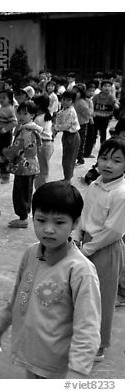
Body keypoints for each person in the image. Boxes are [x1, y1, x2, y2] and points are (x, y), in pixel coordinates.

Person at [0, 181, 101, 379]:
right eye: (41, 220)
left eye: (59, 222)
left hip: (58, 368)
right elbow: (17, 296)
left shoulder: (81, 271)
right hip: (31, 356)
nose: (48, 229)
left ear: (75, 223)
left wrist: (77, 372)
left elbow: (87, 327)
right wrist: (1, 324)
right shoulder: (31, 253)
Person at [72, 138, 124, 362]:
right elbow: (84, 214)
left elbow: (113, 231)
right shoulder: (95, 184)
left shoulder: (122, 193)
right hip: (87, 244)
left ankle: (99, 345)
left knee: (102, 298)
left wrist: (87, 250)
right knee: (83, 295)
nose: (108, 164)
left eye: (117, 160)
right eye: (104, 158)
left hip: (106, 249)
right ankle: (81, 336)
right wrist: (76, 236)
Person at [5, 101, 42, 229]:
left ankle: (23, 218)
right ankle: (24, 216)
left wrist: (5, 154)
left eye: (25, 113)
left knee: (20, 193)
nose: (21, 116)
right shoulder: (30, 128)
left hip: (24, 167)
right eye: (19, 113)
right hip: (29, 166)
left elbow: (16, 149)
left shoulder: (26, 131)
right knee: (26, 191)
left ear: (32, 115)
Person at [52, 91, 80, 184]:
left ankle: (68, 178)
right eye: (63, 99)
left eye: (68, 100)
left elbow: (66, 125)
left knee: (69, 158)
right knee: (66, 157)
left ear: (72, 102)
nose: (65, 102)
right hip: (66, 135)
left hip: (72, 135)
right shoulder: (64, 110)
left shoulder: (71, 112)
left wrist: (55, 129)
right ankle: (66, 176)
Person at [0, 89, 17, 184]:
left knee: (4, 154)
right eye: (0, 98)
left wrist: (5, 129)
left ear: (9, 99)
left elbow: (14, 122)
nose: (1, 100)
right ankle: (2, 173)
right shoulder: (1, 108)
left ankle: (5, 175)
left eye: (4, 98)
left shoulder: (10, 109)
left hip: (5, 135)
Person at [32, 94, 54, 190]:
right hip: (48, 144)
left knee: (41, 172)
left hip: (43, 144)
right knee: (43, 170)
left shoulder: (38, 119)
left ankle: (40, 191)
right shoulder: (46, 115)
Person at [92, 80, 118, 147]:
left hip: (105, 117)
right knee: (94, 131)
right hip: (96, 116)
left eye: (109, 86)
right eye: (105, 86)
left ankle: (102, 144)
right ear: (101, 87)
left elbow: (115, 103)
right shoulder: (96, 96)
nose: (107, 88)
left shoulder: (111, 97)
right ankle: (93, 143)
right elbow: (92, 104)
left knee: (103, 131)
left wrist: (116, 105)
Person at [73, 83, 92, 166]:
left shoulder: (82, 102)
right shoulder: (74, 101)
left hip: (82, 124)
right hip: (75, 124)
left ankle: (80, 159)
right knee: (75, 142)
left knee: (80, 143)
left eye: (77, 92)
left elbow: (87, 114)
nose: (75, 93)